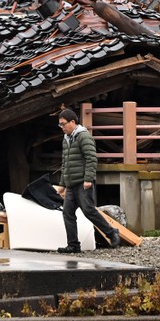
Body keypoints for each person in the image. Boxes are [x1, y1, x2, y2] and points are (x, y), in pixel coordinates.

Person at [56, 108, 120, 253]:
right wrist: (62, 184)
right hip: (71, 184)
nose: (62, 127)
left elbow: (91, 158)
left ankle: (111, 232)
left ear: (73, 122)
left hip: (83, 183)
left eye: (63, 124)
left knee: (88, 210)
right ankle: (73, 245)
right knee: (67, 213)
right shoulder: (66, 140)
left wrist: (88, 179)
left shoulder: (83, 136)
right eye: (60, 125)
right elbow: (65, 163)